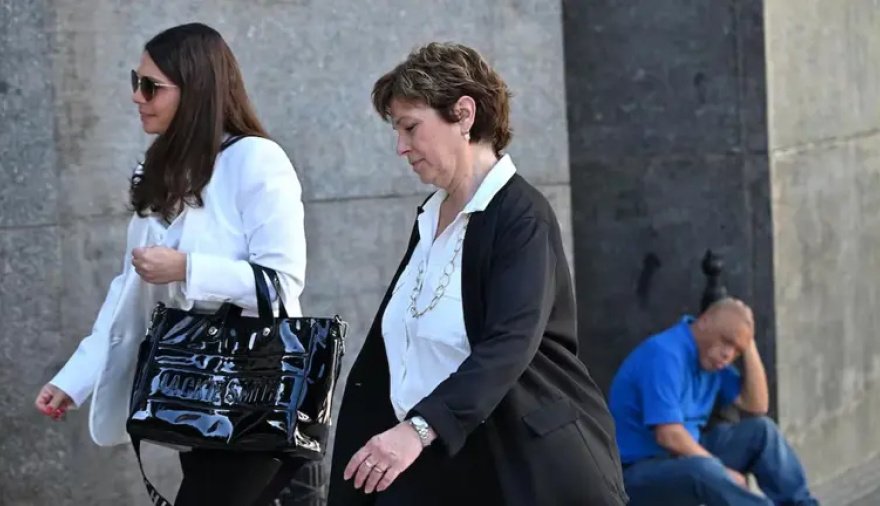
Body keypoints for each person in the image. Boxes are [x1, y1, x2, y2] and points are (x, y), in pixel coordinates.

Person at [327, 42, 627, 506]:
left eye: (410, 127)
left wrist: (419, 429)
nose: (401, 147)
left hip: (519, 468)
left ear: (463, 114)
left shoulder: (522, 215)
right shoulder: (430, 217)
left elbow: (509, 343)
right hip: (436, 467)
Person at [33, 23, 308, 506]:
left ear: (196, 90)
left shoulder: (257, 160)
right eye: (135, 81)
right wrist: (76, 378)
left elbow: (281, 285)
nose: (136, 97)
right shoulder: (158, 167)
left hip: (254, 397)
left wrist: (187, 268)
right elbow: (128, 290)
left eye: (151, 86)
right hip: (198, 400)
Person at [609, 298, 819, 505]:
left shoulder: (712, 359)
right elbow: (668, 436)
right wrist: (721, 471)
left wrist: (748, 343)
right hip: (637, 473)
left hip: (683, 458)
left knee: (762, 431)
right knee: (703, 470)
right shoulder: (665, 354)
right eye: (726, 341)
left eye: (737, 351)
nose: (728, 354)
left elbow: (757, 406)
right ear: (704, 321)